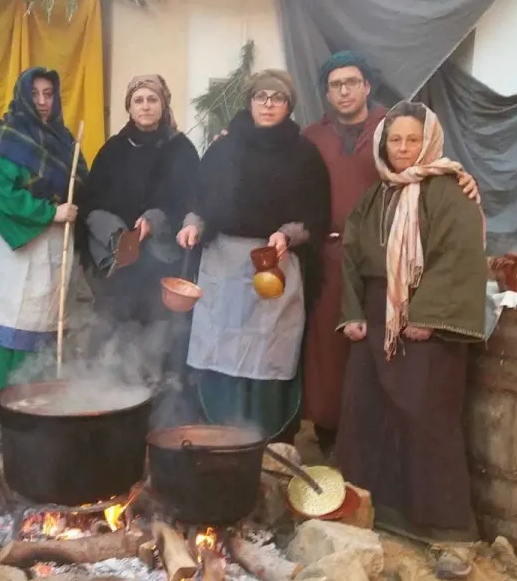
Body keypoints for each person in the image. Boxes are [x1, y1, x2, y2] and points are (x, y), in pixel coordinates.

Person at [301, 51, 480, 455]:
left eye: (352, 82)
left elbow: (428, 168)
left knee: (386, 364)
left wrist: (461, 177)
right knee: (330, 351)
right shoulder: (313, 137)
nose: (344, 91)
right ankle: (332, 437)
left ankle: (376, 444)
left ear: (367, 86)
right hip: (332, 258)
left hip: (395, 268)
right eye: (335, 85)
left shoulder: (393, 127)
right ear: (327, 93)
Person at [337, 101, 487, 579]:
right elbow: (351, 254)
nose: (402, 149)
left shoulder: (449, 191)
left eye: (412, 139)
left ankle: (449, 532)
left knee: (427, 416)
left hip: (424, 319)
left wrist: (428, 315)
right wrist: (353, 312)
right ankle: (378, 511)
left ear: (430, 142)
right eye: (394, 140)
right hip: (376, 315)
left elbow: (459, 254)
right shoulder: (376, 195)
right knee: (366, 408)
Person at [176, 69, 331, 442]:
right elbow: (199, 198)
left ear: (289, 105)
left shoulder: (305, 155)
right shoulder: (222, 149)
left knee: (267, 349)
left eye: (278, 98)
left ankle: (267, 437)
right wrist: (193, 223)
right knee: (222, 345)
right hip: (223, 263)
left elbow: (316, 214)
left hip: (275, 262)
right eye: (261, 96)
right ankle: (217, 432)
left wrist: (287, 234)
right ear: (249, 101)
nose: (268, 104)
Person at [0, 67, 88, 412]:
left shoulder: (65, 141)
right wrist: (49, 212)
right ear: (22, 96)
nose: (42, 101)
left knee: (45, 324)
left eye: (48, 94)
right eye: (34, 93)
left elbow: (82, 185)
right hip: (12, 247)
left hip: (53, 247)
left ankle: (41, 407)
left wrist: (71, 209)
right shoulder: (5, 139)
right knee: (8, 325)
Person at [81, 75, 199, 335]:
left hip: (162, 263)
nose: (145, 106)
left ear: (163, 105)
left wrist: (155, 219)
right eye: (138, 100)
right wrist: (115, 231)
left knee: (158, 335)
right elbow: (91, 203)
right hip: (118, 264)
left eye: (152, 99)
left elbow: (192, 200)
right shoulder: (112, 150)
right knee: (114, 333)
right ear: (129, 107)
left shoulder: (181, 149)